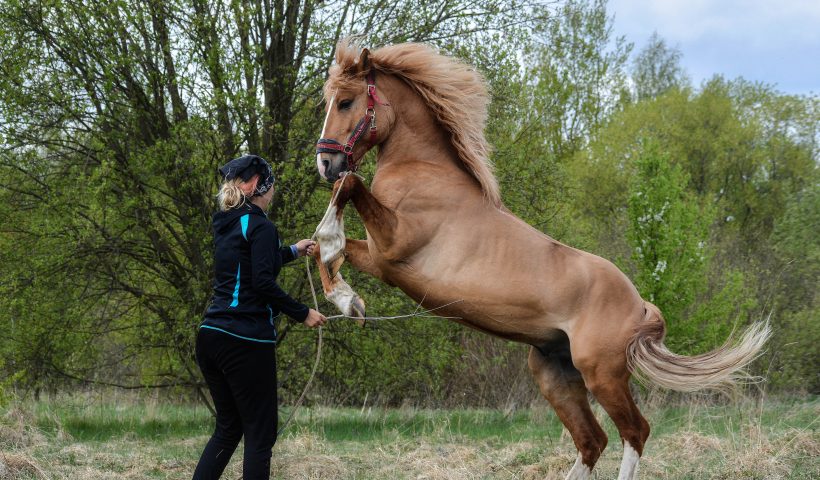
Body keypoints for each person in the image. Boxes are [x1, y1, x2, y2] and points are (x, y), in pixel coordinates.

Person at [193, 154, 326, 479]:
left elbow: (252, 262)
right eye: (271, 186)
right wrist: (302, 312)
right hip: (245, 341)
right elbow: (262, 281)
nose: (273, 193)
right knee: (260, 435)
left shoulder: (226, 224)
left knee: (228, 429)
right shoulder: (262, 227)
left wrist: (293, 250)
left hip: (210, 337)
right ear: (256, 186)